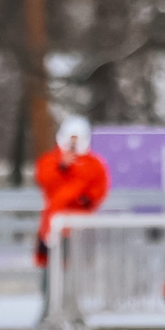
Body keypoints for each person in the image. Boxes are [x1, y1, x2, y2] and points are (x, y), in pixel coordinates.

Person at [33, 116, 109, 277]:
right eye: (71, 138)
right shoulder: (51, 160)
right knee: (50, 270)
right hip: (53, 224)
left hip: (80, 225)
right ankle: (50, 301)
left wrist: (87, 198)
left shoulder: (93, 163)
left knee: (78, 272)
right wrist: (62, 166)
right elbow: (44, 179)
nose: (73, 144)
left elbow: (99, 188)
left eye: (77, 139)